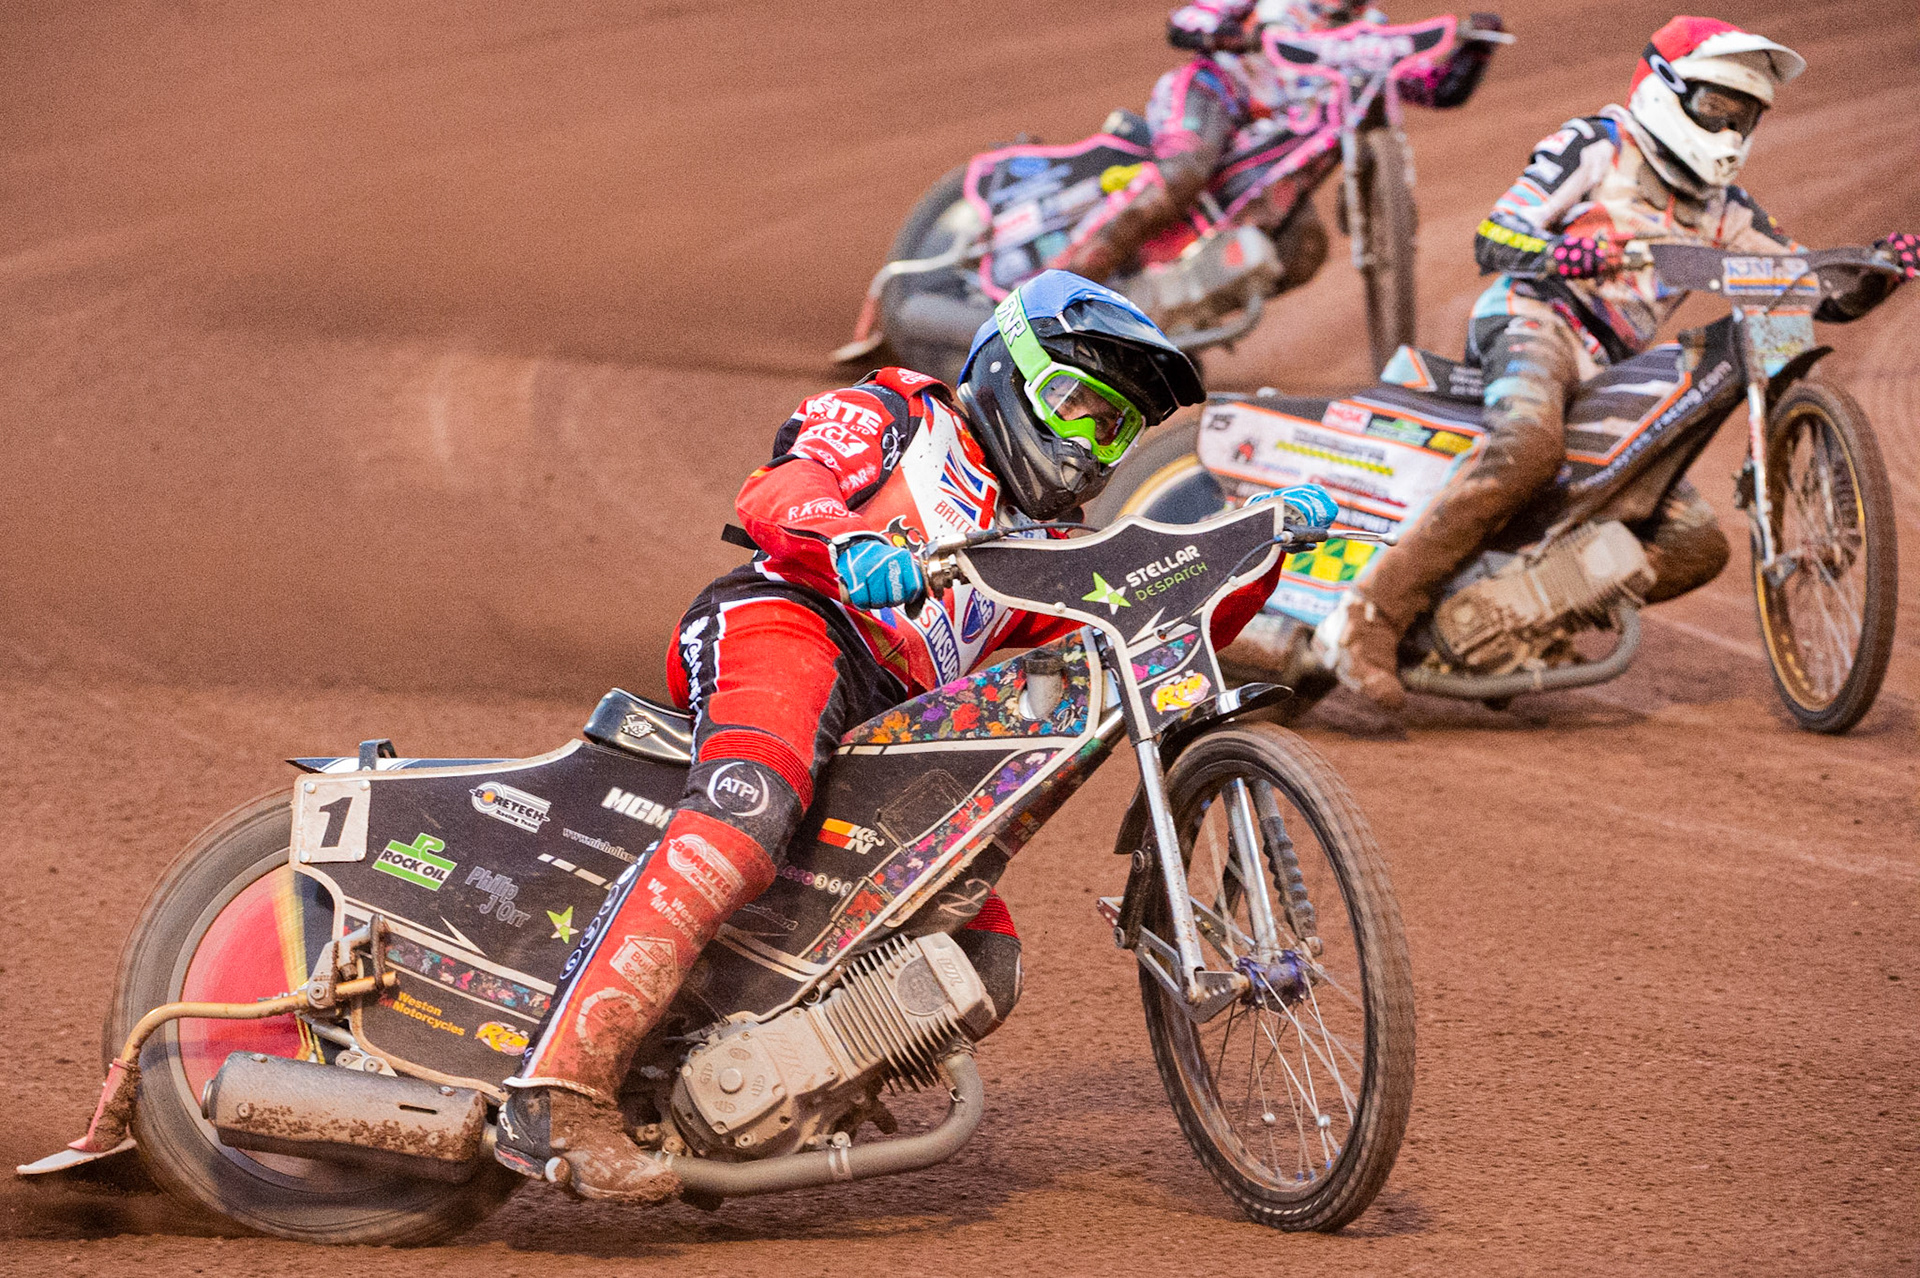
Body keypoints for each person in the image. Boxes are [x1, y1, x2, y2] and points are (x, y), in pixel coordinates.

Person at [491, 271, 1338, 1200]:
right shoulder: (902, 412)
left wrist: (1257, 553)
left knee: (979, 954)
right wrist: (850, 541)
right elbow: (786, 484)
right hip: (793, 621)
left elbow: (1131, 646)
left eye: (1114, 430)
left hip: (898, 718)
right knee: (746, 816)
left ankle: (728, 1103)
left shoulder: (1047, 545)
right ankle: (557, 1091)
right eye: (1076, 407)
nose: (1091, 446)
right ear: (1007, 372)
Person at [1315, 15, 1920, 712]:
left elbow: (1802, 288)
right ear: (1664, 90)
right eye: (1716, 106)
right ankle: (1367, 617)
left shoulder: (1727, 211)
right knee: (1528, 447)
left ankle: (1514, 618)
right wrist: (1558, 254)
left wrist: (1876, 270)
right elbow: (1496, 233)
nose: (1728, 130)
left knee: (1696, 544)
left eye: (1744, 115)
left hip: (1609, 366)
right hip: (1534, 318)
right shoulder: (1597, 144)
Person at [1054, 0, 1497, 293]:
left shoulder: (1373, 34)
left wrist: (1476, 51)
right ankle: (1060, 283)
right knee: (1182, 173)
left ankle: (1175, 325)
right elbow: (1185, 22)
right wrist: (1233, 35)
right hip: (1215, 93)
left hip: (1274, 147)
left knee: (1302, 250)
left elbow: (1435, 90)